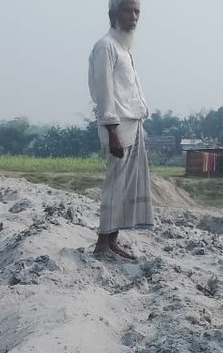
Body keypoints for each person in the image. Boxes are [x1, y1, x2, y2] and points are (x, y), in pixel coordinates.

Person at [89, 0, 152, 261]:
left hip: (132, 123)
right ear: (113, 14)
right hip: (117, 126)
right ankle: (103, 243)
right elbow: (105, 93)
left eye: (137, 11)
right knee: (115, 185)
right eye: (129, 10)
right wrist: (112, 132)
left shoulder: (124, 47)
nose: (134, 16)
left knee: (126, 186)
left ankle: (112, 240)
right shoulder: (105, 46)